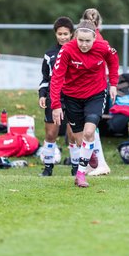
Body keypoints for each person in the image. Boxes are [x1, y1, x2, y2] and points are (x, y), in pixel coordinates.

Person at [50, 19, 119, 188]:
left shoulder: (103, 47)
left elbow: (113, 61)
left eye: (88, 41)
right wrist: (56, 105)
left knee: (89, 132)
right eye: (80, 40)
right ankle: (90, 155)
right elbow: (57, 78)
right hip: (72, 97)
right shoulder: (67, 50)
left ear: (95, 38)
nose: (84, 44)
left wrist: (114, 84)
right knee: (79, 139)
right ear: (75, 37)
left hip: (95, 94)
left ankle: (80, 174)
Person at [38, 16, 80, 177]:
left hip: (73, 97)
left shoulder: (78, 51)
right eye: (60, 34)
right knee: (50, 134)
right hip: (54, 97)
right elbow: (45, 78)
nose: (63, 37)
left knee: (73, 134)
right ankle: (48, 168)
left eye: (66, 34)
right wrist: (42, 94)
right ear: (56, 34)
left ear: (71, 34)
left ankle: (75, 168)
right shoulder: (49, 55)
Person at [81, 8, 111, 176]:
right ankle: (97, 163)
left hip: (95, 87)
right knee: (90, 125)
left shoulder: (94, 40)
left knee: (91, 125)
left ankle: (100, 163)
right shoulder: (94, 37)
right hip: (90, 86)